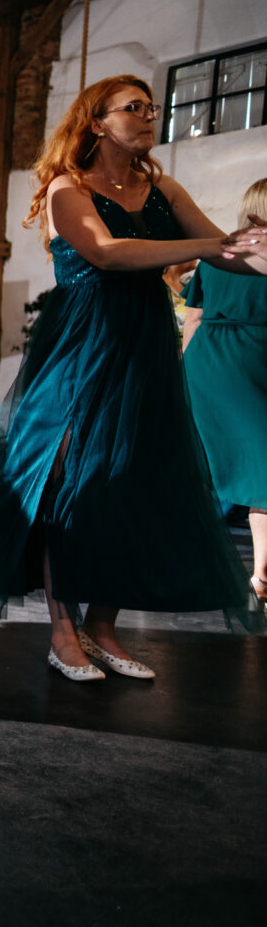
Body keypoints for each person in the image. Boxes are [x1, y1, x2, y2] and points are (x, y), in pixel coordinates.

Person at [0, 75, 267, 681]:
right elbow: (105, 251)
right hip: (82, 345)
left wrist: (245, 249)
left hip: (143, 348)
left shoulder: (162, 188)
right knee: (66, 482)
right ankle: (62, 632)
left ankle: (101, 630)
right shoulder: (67, 188)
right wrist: (207, 245)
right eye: (133, 107)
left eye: (152, 108)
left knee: (131, 485)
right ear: (97, 122)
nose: (148, 116)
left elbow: (227, 252)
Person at [182, 177, 267, 610]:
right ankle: (262, 574)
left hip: (207, 362)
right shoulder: (252, 257)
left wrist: (183, 372)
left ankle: (258, 574)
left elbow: (193, 319)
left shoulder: (219, 254)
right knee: (260, 471)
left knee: (205, 467)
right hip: (246, 362)